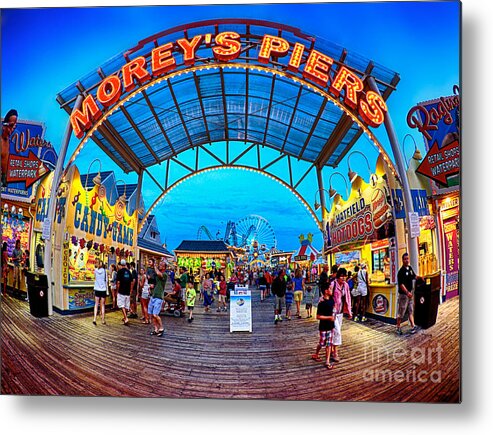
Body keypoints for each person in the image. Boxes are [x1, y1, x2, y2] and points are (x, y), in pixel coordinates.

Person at [329, 268, 352, 363]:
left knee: (335, 332)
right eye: (341, 276)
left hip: (340, 312)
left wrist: (349, 311)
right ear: (338, 276)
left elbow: (348, 298)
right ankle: (335, 353)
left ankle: (331, 350)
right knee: (337, 331)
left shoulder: (345, 285)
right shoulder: (333, 284)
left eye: (344, 276)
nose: (343, 278)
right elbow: (327, 295)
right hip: (333, 312)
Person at [311, 284, 336, 369]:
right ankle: (316, 353)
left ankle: (327, 361)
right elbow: (318, 316)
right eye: (330, 289)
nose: (332, 290)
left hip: (331, 326)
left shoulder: (332, 300)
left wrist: (334, 313)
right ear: (326, 291)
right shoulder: (321, 303)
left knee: (329, 344)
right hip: (323, 327)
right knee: (322, 343)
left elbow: (334, 307)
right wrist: (329, 317)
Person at [396, 253, 420, 335]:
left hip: (410, 294)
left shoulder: (409, 268)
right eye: (405, 259)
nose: (407, 260)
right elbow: (401, 285)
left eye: (407, 259)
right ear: (402, 260)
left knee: (410, 310)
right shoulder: (401, 272)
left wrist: (421, 277)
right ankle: (398, 327)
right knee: (401, 312)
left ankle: (413, 326)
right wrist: (407, 292)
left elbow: (414, 276)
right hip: (404, 295)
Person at [148, 260, 167, 336]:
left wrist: (155, 266)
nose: (159, 266)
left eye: (161, 265)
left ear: (164, 267)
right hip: (153, 295)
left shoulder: (164, 274)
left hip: (159, 296)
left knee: (155, 314)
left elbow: (159, 274)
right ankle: (156, 329)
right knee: (152, 314)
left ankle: (161, 328)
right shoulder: (156, 275)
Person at [1, 109, 18, 187]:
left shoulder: (7, 140)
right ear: (4, 126)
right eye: (11, 125)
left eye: (15, 125)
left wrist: (4, 177)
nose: (13, 128)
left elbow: (4, 158)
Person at [116, 259, 133, 326]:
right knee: (126, 305)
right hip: (127, 291)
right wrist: (131, 290)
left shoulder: (119, 272)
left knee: (121, 305)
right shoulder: (129, 272)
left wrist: (117, 290)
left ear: (120, 265)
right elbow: (132, 282)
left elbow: (118, 282)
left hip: (121, 291)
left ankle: (126, 318)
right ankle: (125, 317)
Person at [92, 260, 108, 325]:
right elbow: (106, 281)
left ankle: (94, 318)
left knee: (96, 304)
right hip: (103, 289)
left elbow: (95, 278)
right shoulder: (105, 271)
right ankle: (103, 320)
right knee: (103, 305)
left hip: (97, 289)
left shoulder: (95, 270)